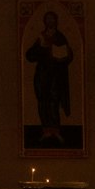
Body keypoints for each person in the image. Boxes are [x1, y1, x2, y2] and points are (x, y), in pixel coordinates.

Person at [25, 10, 73, 143]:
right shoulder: (41, 37)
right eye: (48, 19)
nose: (50, 21)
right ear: (45, 22)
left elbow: (68, 55)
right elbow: (30, 55)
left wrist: (65, 54)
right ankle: (46, 130)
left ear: (55, 21)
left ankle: (55, 130)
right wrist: (41, 47)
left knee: (53, 102)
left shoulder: (60, 37)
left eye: (52, 19)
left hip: (55, 76)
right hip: (42, 75)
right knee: (43, 101)